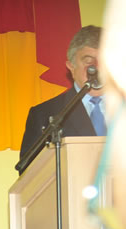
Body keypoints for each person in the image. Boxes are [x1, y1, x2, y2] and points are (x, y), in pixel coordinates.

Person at [19, 25, 105, 163]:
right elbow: (29, 170)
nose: (97, 70)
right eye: (89, 62)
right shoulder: (45, 115)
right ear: (71, 67)